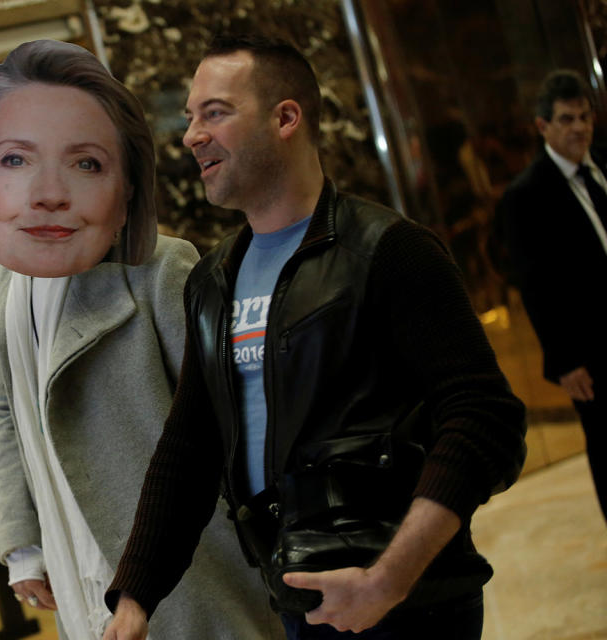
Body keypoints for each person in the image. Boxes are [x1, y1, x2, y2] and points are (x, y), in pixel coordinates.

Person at [103, 35, 527, 640]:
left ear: (286, 118)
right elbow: (189, 447)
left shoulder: (388, 250)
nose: (191, 135)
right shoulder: (212, 281)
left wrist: (390, 577)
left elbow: (485, 416)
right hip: (297, 598)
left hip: (408, 604)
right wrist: (136, 598)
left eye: (215, 112)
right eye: (191, 117)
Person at [0, 40, 278, 639]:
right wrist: (22, 542)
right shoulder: (9, 275)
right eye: (15, 160)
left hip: (185, 583)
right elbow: (8, 410)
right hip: (74, 569)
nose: (49, 190)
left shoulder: (162, 270)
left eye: (85, 163)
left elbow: (228, 428)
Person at [497, 69, 607, 523]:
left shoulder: (603, 165)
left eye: (584, 116)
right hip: (591, 351)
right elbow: (535, 284)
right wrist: (564, 360)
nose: (579, 127)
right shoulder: (528, 195)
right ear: (543, 126)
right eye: (566, 119)